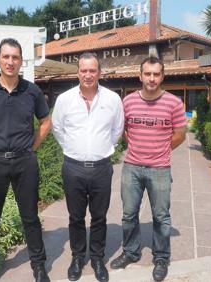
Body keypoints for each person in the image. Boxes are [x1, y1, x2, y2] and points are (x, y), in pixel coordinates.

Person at [0, 38, 52, 282]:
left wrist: (32, 147)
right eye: (6, 57)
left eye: (15, 57)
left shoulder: (32, 91)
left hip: (24, 162)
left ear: (20, 61)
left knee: (30, 217)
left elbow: (46, 122)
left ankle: (38, 266)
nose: (10, 61)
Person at [110, 56, 187, 282]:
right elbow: (123, 129)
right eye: (148, 74)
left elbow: (180, 135)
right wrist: (136, 146)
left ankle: (161, 257)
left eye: (156, 74)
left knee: (161, 216)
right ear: (140, 75)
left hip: (160, 169)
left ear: (162, 76)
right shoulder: (128, 102)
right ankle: (131, 252)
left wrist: (161, 149)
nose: (151, 78)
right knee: (128, 214)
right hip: (132, 167)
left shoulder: (174, 103)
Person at [52, 52, 124, 282]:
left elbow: (117, 131)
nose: (88, 75)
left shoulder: (113, 99)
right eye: (84, 70)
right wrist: (73, 149)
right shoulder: (64, 99)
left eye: (92, 70)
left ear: (99, 72)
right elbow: (57, 129)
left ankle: (97, 258)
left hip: (102, 168)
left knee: (99, 217)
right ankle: (77, 257)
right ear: (78, 72)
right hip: (73, 168)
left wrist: (102, 149)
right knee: (75, 217)